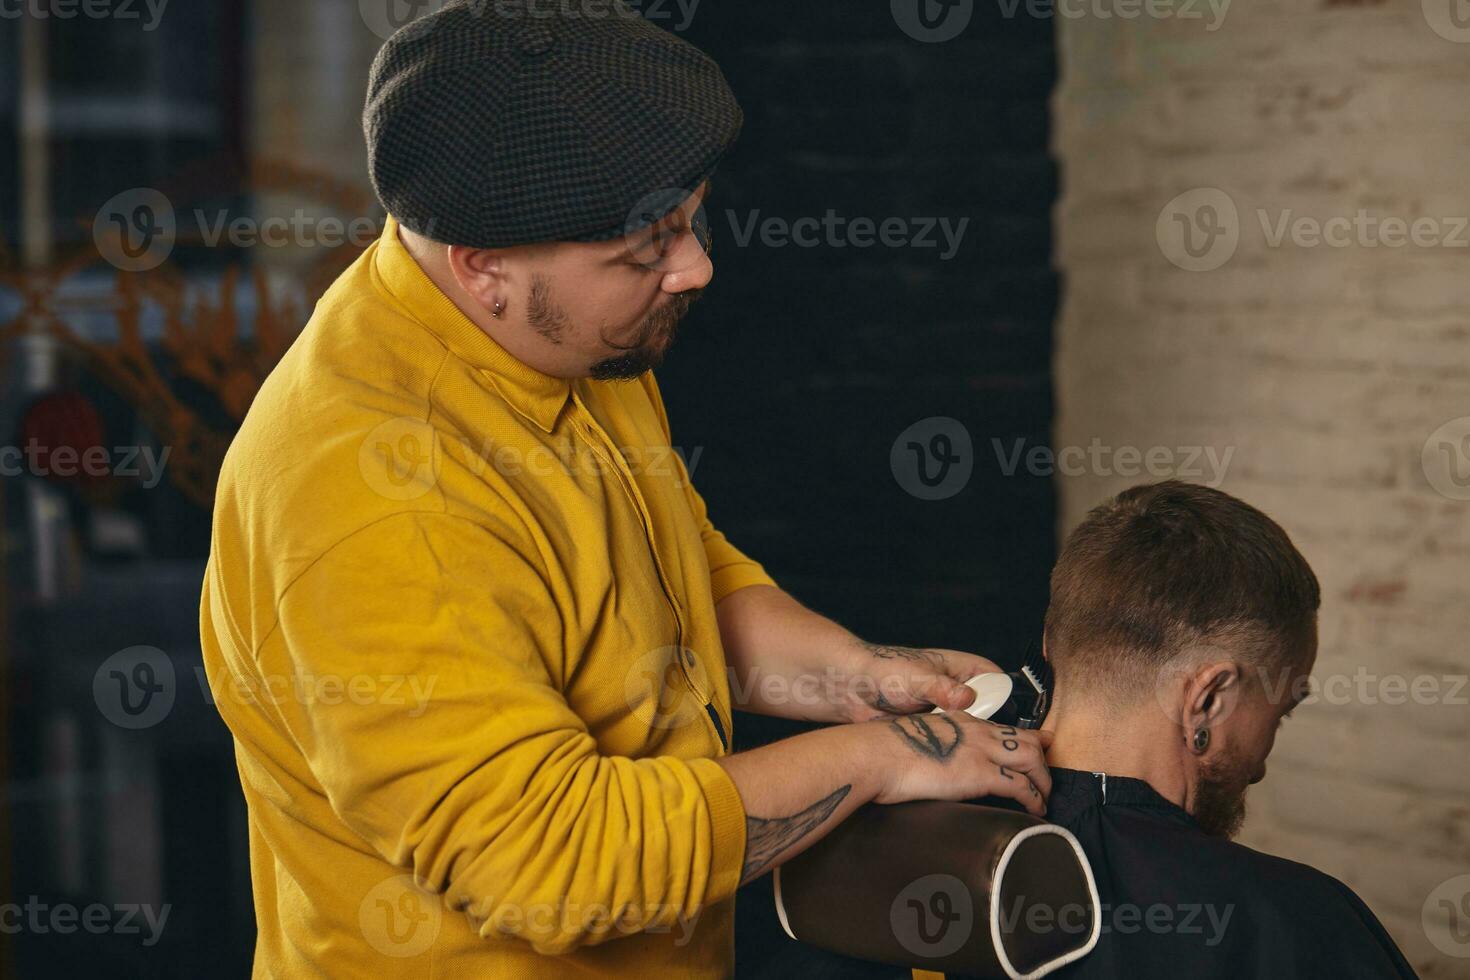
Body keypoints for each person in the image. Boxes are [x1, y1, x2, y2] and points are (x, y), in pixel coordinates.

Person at [199, 3, 1050, 977]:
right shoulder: (380, 496)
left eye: (691, 219)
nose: (696, 266)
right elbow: (550, 863)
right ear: (487, 268)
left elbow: (675, 583)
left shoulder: (560, 339)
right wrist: (878, 758)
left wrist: (856, 676)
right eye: (646, 247)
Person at [920, 481, 1416, 979]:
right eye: (1277, 715)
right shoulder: (1299, 925)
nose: (1260, 768)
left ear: (1049, 647)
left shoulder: (896, 854)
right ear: (1207, 699)